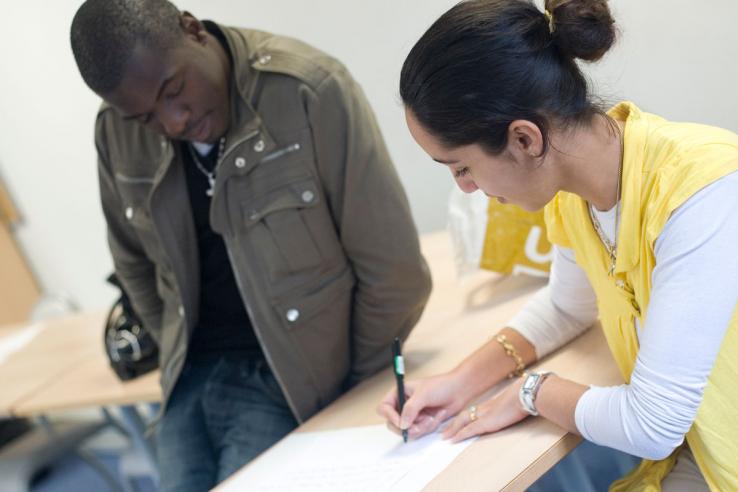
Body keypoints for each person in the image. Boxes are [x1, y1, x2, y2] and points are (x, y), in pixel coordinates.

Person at [70, 0, 432, 489]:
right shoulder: (114, 129)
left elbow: (394, 272)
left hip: (285, 378)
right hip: (189, 376)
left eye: (174, 90)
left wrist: (347, 382)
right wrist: (172, 340)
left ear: (192, 30)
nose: (172, 122)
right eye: (146, 119)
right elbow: (131, 262)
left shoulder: (307, 90)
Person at [377, 0, 738, 490]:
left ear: (524, 139)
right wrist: (458, 383)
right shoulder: (573, 196)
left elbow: (652, 424)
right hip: (699, 443)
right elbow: (567, 307)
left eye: (461, 167)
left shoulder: (700, 190)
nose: (463, 188)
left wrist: (531, 391)